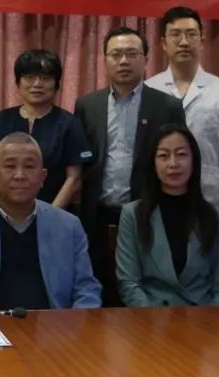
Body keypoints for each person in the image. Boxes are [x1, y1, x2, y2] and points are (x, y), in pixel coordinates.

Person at [73, 26, 186, 298]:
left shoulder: (167, 106)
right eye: (116, 54)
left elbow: (177, 159)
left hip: (146, 212)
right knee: (99, 285)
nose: (123, 61)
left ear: (146, 59)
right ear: (105, 60)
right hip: (97, 213)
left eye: (131, 54)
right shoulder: (87, 105)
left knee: (141, 286)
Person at [0, 133, 102, 311]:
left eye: (29, 166)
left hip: (54, 325)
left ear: (43, 177)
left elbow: (87, 290)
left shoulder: (69, 226)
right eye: (10, 166)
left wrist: (71, 325)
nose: (19, 175)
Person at [145, 6, 219, 237]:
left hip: (210, 198)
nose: (184, 42)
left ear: (202, 42)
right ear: (163, 43)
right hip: (159, 199)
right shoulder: (149, 90)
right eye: (176, 34)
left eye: (191, 34)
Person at [116, 123, 219, 308]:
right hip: (152, 317)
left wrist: (212, 320)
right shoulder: (133, 215)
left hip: (204, 317)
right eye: (163, 156)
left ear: (194, 160)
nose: (173, 164)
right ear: (153, 162)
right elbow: (129, 283)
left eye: (181, 154)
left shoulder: (212, 217)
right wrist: (154, 320)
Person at [0, 49, 91, 209]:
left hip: (54, 213)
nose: (37, 84)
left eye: (45, 78)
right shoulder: (1, 120)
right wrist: (1, 211)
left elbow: (74, 179)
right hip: (2, 212)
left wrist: (48, 215)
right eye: (30, 77)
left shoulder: (69, 123)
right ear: (18, 82)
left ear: (56, 84)